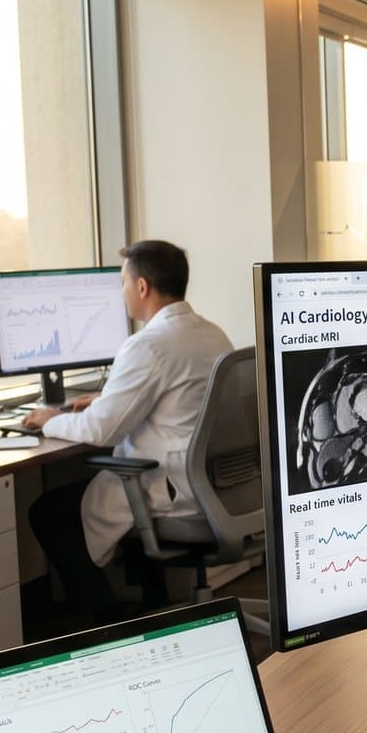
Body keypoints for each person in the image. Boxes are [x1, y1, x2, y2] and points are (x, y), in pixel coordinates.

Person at [25, 240, 233, 624]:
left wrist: (48, 420)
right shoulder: (212, 334)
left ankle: (103, 624)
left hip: (172, 487)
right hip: (215, 486)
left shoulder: (148, 345)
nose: (121, 292)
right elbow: (175, 400)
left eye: (123, 282)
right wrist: (107, 397)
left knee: (48, 513)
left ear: (142, 286)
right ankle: (152, 605)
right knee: (110, 494)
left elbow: (101, 429)